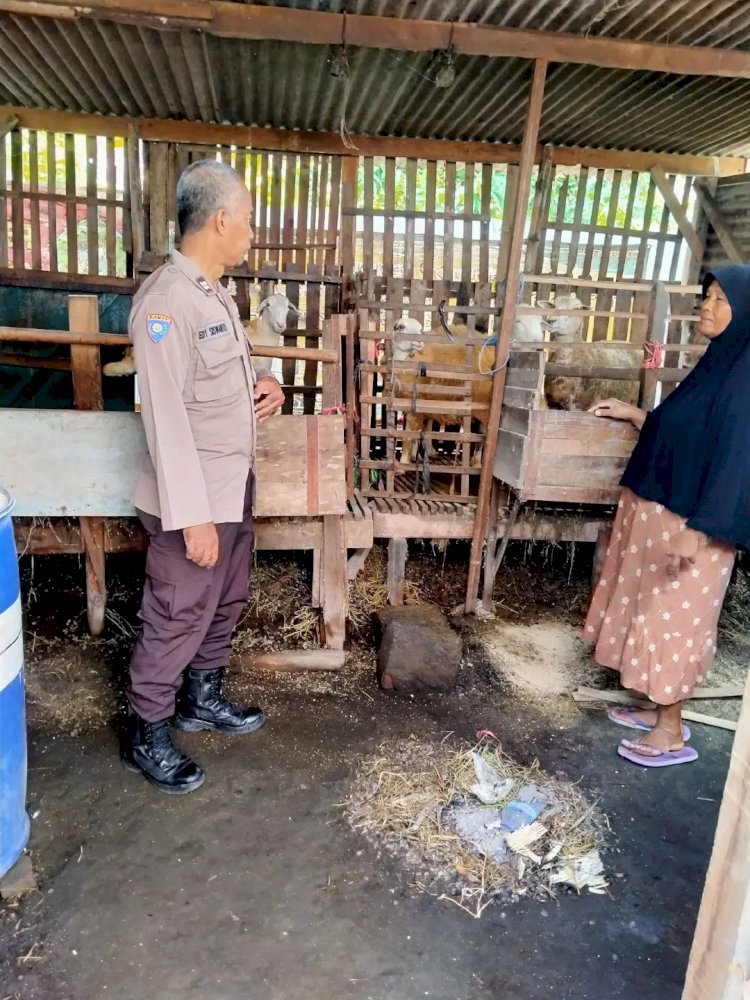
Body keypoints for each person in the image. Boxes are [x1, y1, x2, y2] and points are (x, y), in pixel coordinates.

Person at [122, 160, 285, 794]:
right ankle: (148, 728)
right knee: (177, 612)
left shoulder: (216, 294)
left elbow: (212, 385)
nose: (250, 230)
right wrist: (192, 518)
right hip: (192, 499)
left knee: (224, 601)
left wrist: (262, 384)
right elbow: (164, 417)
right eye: (246, 218)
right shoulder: (164, 301)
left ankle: (201, 697)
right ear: (220, 220)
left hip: (232, 484)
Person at [585, 265, 750, 767]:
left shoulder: (746, 376)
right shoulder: (719, 363)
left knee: (672, 621)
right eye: (708, 296)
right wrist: (638, 416)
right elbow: (690, 432)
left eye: (722, 299)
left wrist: (700, 531)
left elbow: (739, 461)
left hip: (691, 525)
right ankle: (656, 709)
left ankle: (671, 732)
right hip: (661, 514)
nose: (707, 305)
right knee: (646, 609)